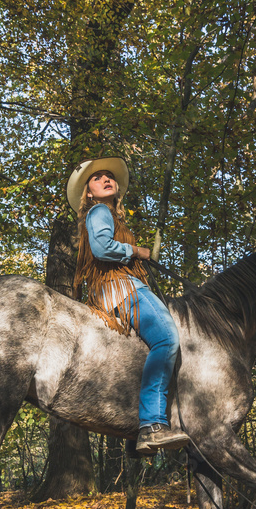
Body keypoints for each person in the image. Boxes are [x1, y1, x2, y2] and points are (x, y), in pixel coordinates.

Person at [67, 156, 191, 455]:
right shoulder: (99, 211)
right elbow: (101, 248)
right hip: (121, 288)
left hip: (115, 289)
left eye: (110, 176)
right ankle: (151, 425)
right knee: (167, 339)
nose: (106, 179)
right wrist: (135, 250)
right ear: (89, 193)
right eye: (97, 179)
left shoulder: (110, 216)